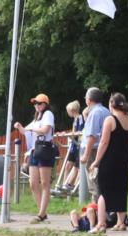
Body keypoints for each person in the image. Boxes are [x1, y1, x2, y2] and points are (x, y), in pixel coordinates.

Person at [89, 93, 128, 233]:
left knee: (104, 191)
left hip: (110, 158)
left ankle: (101, 224)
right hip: (125, 157)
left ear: (111, 103)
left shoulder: (110, 119)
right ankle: (121, 223)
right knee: (121, 189)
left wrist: (96, 161)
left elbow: (104, 142)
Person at [15, 93, 56, 223]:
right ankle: (42, 212)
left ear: (45, 105)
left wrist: (32, 129)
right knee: (33, 183)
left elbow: (45, 130)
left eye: (39, 103)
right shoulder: (36, 118)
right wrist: (19, 126)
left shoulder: (48, 115)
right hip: (35, 150)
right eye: (35, 104)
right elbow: (26, 131)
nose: (36, 106)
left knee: (44, 183)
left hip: (45, 148)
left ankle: (41, 213)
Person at [79, 87, 111, 201]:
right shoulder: (106, 111)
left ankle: (96, 211)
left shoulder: (95, 113)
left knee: (94, 183)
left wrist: (86, 155)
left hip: (93, 151)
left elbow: (92, 136)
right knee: (102, 182)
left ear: (89, 99)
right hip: (103, 150)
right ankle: (104, 210)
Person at [55, 100, 85, 193]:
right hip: (73, 146)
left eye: (68, 111)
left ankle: (72, 185)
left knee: (77, 166)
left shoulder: (80, 118)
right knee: (68, 166)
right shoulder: (75, 119)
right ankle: (64, 185)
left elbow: (78, 132)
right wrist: (68, 134)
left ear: (72, 110)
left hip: (77, 146)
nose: (67, 113)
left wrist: (69, 135)